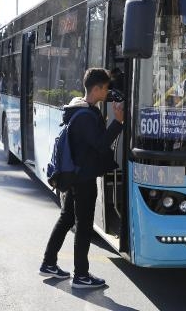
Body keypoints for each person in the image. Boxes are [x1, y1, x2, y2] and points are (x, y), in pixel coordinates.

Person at [39, 68, 124, 289]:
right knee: (84, 226)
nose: (107, 92)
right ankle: (81, 276)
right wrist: (119, 122)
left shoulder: (78, 108)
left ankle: (48, 263)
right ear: (96, 89)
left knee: (66, 218)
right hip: (83, 179)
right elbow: (100, 144)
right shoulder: (86, 116)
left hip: (73, 176)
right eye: (105, 88)